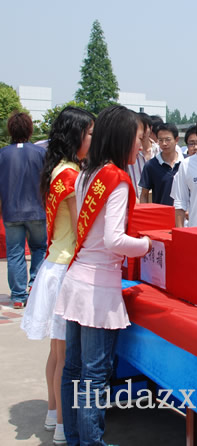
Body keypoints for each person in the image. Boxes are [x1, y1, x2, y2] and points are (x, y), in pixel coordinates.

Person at [55, 105, 151, 445]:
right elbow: (114, 240)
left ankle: (74, 437)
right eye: (138, 138)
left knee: (73, 368)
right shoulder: (118, 180)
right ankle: (91, 441)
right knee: (95, 374)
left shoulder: (87, 172)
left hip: (76, 279)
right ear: (123, 137)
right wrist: (146, 245)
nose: (141, 145)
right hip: (97, 289)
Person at [19, 106, 94, 445]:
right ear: (75, 136)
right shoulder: (70, 175)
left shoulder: (59, 169)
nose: (93, 140)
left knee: (56, 351)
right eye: (90, 134)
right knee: (66, 357)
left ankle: (53, 414)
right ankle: (64, 426)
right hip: (66, 267)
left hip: (54, 263)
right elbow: (82, 228)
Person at [0, 112, 48, 308]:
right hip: (37, 210)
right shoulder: (40, 153)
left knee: (15, 252)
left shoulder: (2, 154)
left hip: (11, 211)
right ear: (30, 129)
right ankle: (34, 287)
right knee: (39, 248)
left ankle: (18, 295)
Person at [139, 123, 183, 205]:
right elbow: (144, 195)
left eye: (167, 140)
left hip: (186, 212)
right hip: (161, 212)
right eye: (160, 140)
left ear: (176, 140)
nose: (164, 143)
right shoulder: (151, 165)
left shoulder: (187, 162)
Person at [127, 112, 153, 201]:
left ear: (151, 129)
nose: (143, 133)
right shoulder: (128, 156)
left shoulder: (160, 151)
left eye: (145, 128)